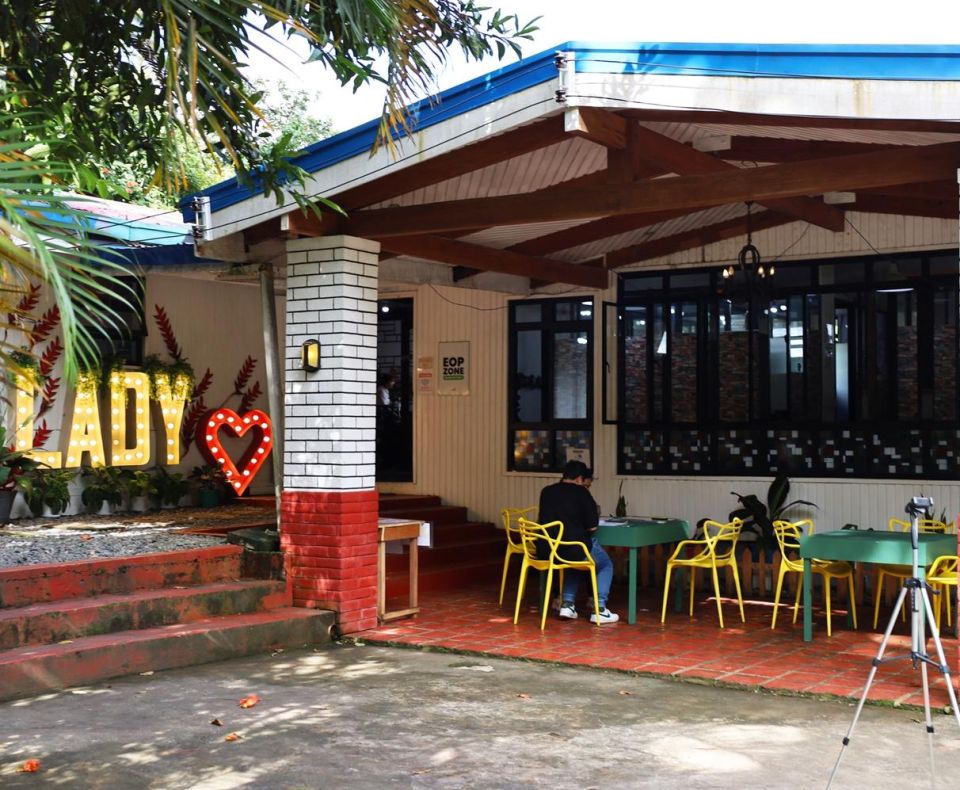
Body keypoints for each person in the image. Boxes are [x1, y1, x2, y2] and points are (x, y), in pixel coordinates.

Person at [537, 460, 619, 624]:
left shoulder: (546, 491)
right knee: (605, 564)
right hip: (573, 549)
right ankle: (600, 609)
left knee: (575, 561)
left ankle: (567, 605)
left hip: (547, 549)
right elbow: (592, 526)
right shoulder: (581, 492)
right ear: (580, 478)